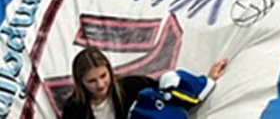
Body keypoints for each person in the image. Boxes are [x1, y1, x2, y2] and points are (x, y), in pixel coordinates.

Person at [62, 46, 228, 119]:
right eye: (92, 81)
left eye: (103, 76)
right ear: (80, 82)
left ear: (110, 71)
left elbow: (170, 96)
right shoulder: (74, 109)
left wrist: (208, 79)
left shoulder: (131, 86)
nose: (100, 84)